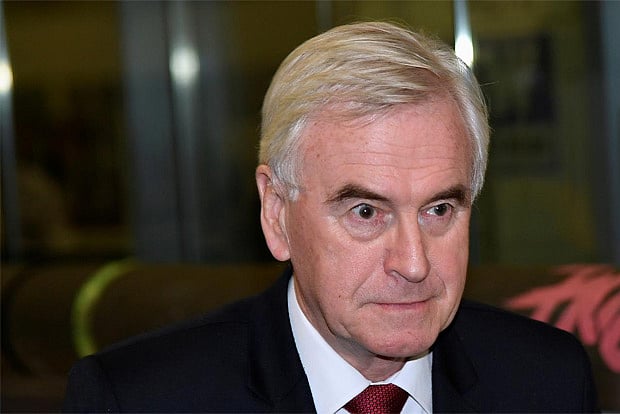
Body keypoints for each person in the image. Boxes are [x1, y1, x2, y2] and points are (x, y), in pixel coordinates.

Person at [63, 22, 599, 413]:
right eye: (366, 212)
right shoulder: (140, 399)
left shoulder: (546, 381)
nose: (414, 263)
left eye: (439, 209)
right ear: (277, 214)